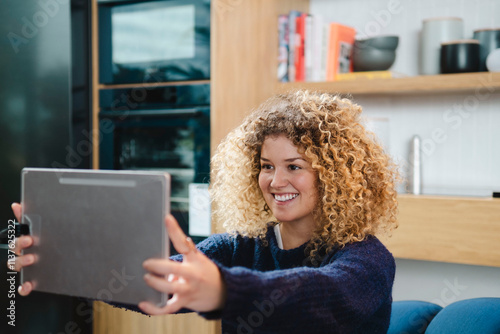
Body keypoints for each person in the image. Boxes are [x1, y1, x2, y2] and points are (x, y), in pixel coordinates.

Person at [12, 90, 399, 333]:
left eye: (294, 166)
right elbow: (151, 280)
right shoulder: (241, 247)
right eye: (266, 166)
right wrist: (60, 258)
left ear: (333, 177)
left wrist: (223, 290)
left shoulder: (367, 261)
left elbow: (319, 297)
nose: (276, 181)